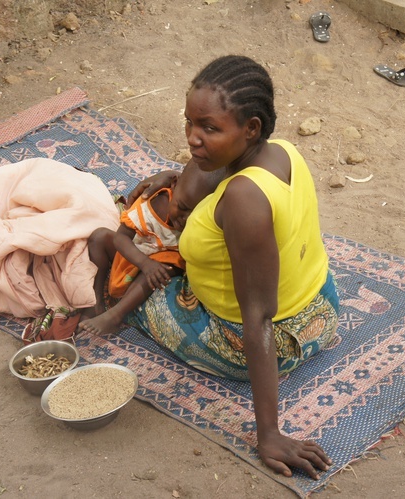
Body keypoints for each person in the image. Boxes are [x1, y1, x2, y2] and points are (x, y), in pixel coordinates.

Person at [123, 55, 339, 479]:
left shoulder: (242, 200)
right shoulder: (285, 153)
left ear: (251, 128)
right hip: (323, 311)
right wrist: (178, 176)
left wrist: (270, 433)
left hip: (255, 343)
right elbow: (218, 175)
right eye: (189, 123)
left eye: (209, 128)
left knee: (130, 269)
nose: (192, 138)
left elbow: (257, 318)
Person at [78, 162, 216, 335]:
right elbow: (121, 238)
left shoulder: (208, 220)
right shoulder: (153, 203)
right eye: (182, 207)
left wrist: (148, 266)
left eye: (194, 214)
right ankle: (95, 302)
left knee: (163, 267)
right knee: (98, 237)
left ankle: (115, 315)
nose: (184, 219)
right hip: (134, 251)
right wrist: (143, 262)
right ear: (173, 184)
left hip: (159, 264)